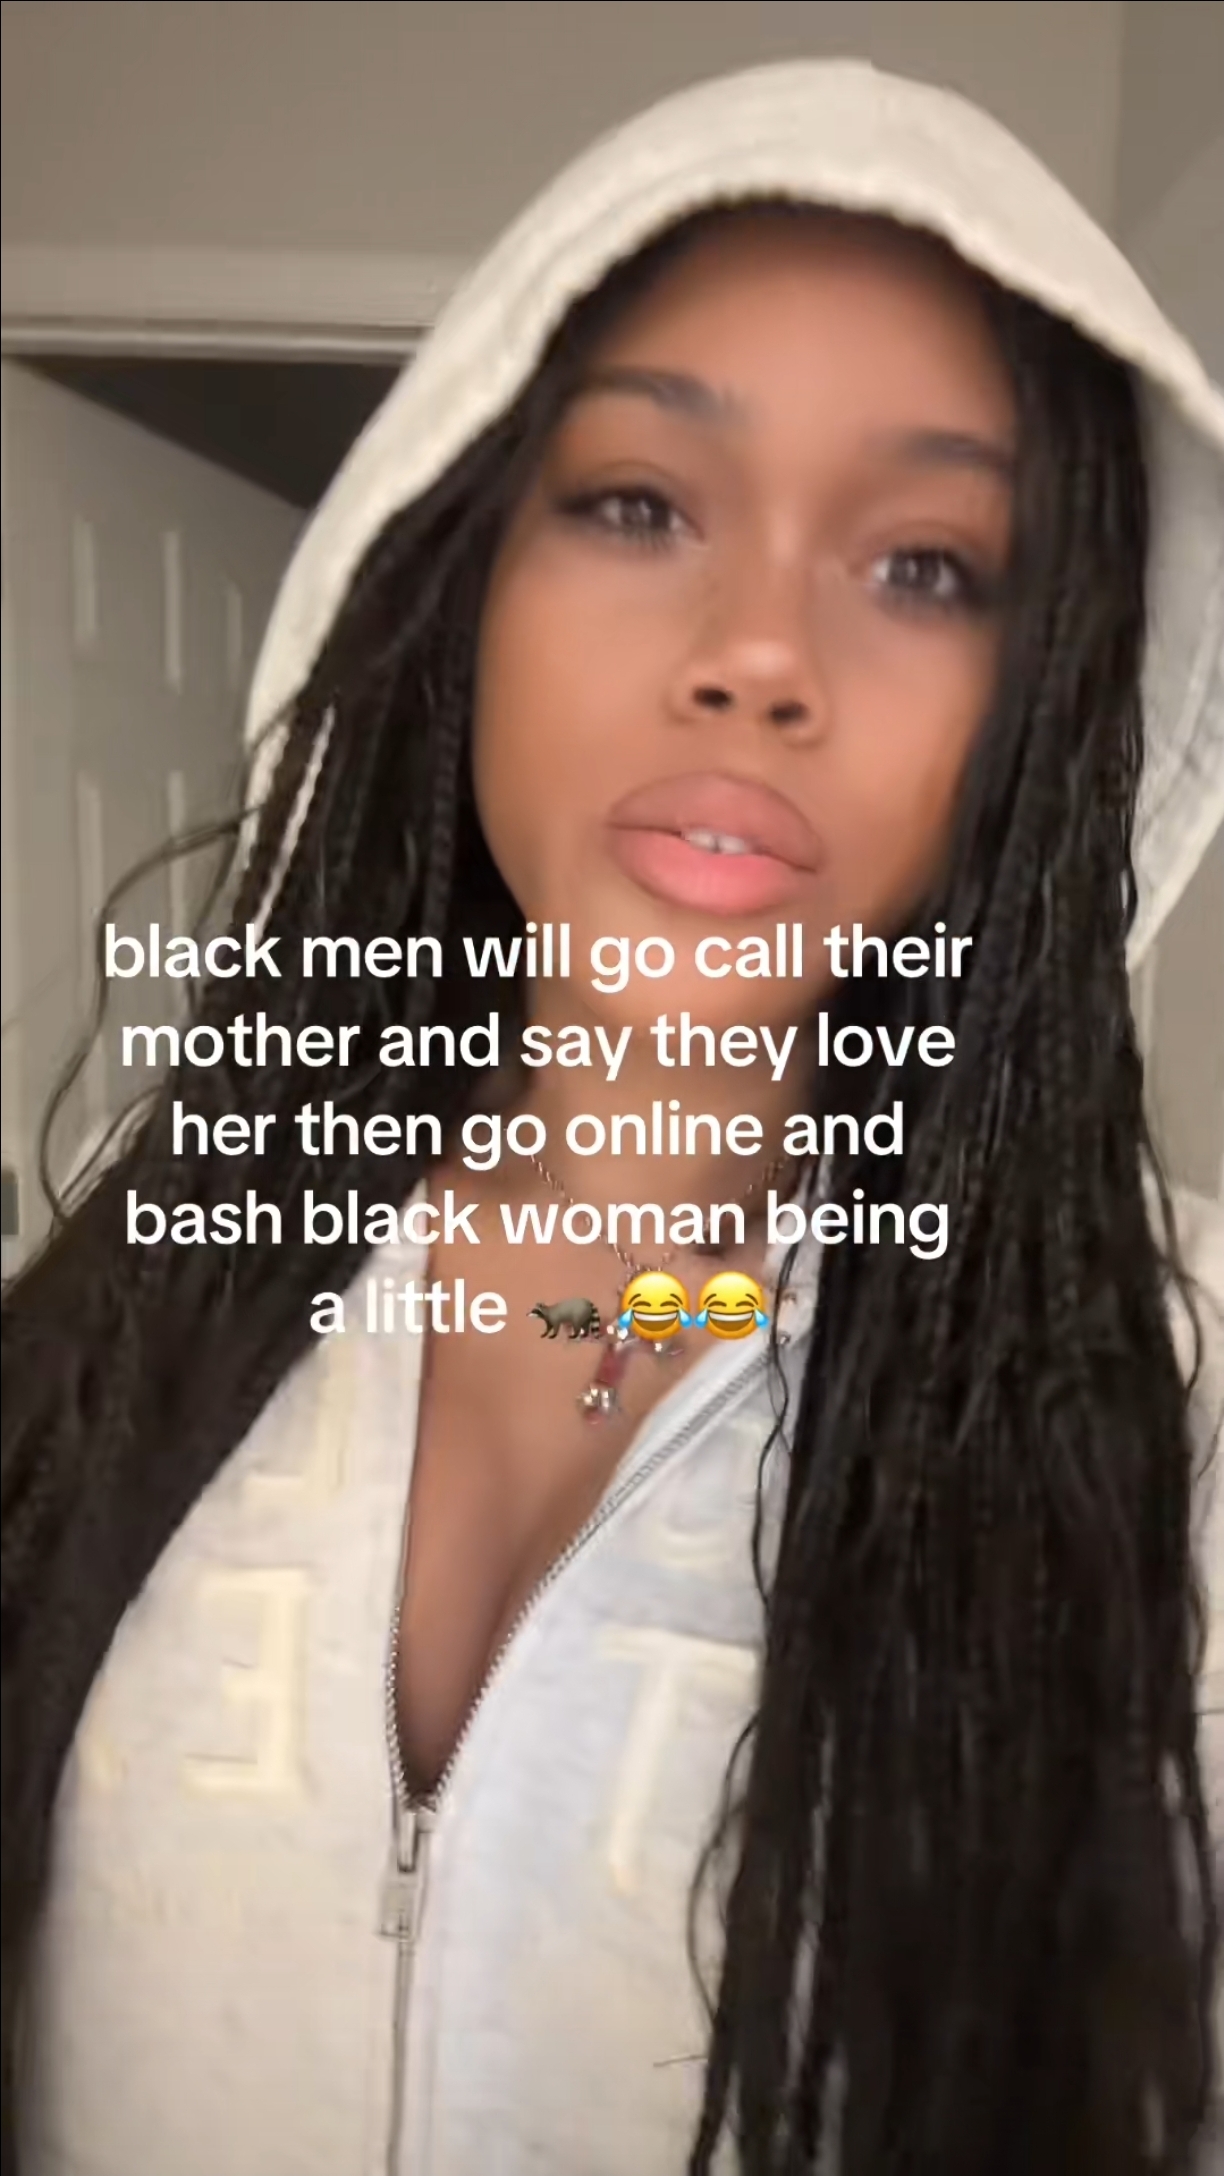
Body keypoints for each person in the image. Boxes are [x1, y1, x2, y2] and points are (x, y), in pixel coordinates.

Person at [3, 56, 1223, 2176]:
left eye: (928, 564)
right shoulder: (138, 1281)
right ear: (458, 583)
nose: (758, 655)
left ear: (1047, 709)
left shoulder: (1185, 1423)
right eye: (641, 503)